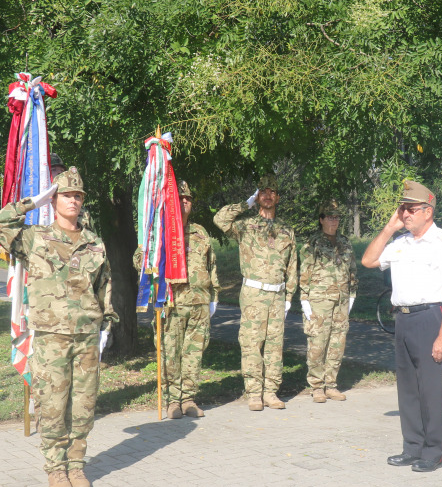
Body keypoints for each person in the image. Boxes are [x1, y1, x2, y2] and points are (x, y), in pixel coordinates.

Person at [0, 167, 117, 487]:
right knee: (53, 403)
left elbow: (104, 287)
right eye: (66, 195)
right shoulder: (35, 238)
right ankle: (56, 469)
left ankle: (76, 464)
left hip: (87, 335)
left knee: (84, 404)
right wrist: (33, 202)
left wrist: (106, 325)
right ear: (54, 200)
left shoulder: (94, 243)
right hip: (51, 336)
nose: (73, 200)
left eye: (78, 196)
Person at [362, 181, 442, 473]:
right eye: (402, 208)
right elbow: (368, 260)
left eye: (410, 209)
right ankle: (412, 446)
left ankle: (433, 451)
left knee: (430, 387)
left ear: (427, 211)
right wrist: (389, 229)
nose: (404, 214)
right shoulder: (400, 243)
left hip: (430, 317)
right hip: (403, 318)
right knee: (407, 387)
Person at [134, 181, 220, 419]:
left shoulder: (200, 232)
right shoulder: (159, 233)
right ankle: (172, 400)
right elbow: (139, 262)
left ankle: (189, 399)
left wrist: (214, 297)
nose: (184, 202)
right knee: (170, 353)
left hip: (199, 304)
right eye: (180, 198)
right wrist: (148, 250)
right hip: (171, 304)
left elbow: (211, 266)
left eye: (188, 199)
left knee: (194, 354)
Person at [214, 174, 297, 411]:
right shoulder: (245, 226)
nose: (268, 196)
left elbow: (292, 266)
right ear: (258, 197)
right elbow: (219, 220)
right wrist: (245, 204)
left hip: (277, 295)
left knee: (274, 345)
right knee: (251, 343)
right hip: (254, 293)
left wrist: (289, 297)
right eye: (263, 192)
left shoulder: (286, 230)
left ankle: (270, 391)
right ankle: (253, 392)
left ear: (278, 198)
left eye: (272, 192)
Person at [299, 200, 358, 403]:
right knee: (318, 343)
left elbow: (352, 270)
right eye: (330, 217)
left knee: (337, 343)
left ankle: (331, 384)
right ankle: (316, 386)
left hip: (341, 300)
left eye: (337, 217)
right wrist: (304, 299)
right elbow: (304, 271)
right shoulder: (312, 243)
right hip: (319, 300)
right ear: (321, 219)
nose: (334, 221)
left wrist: (352, 295)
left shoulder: (345, 242)